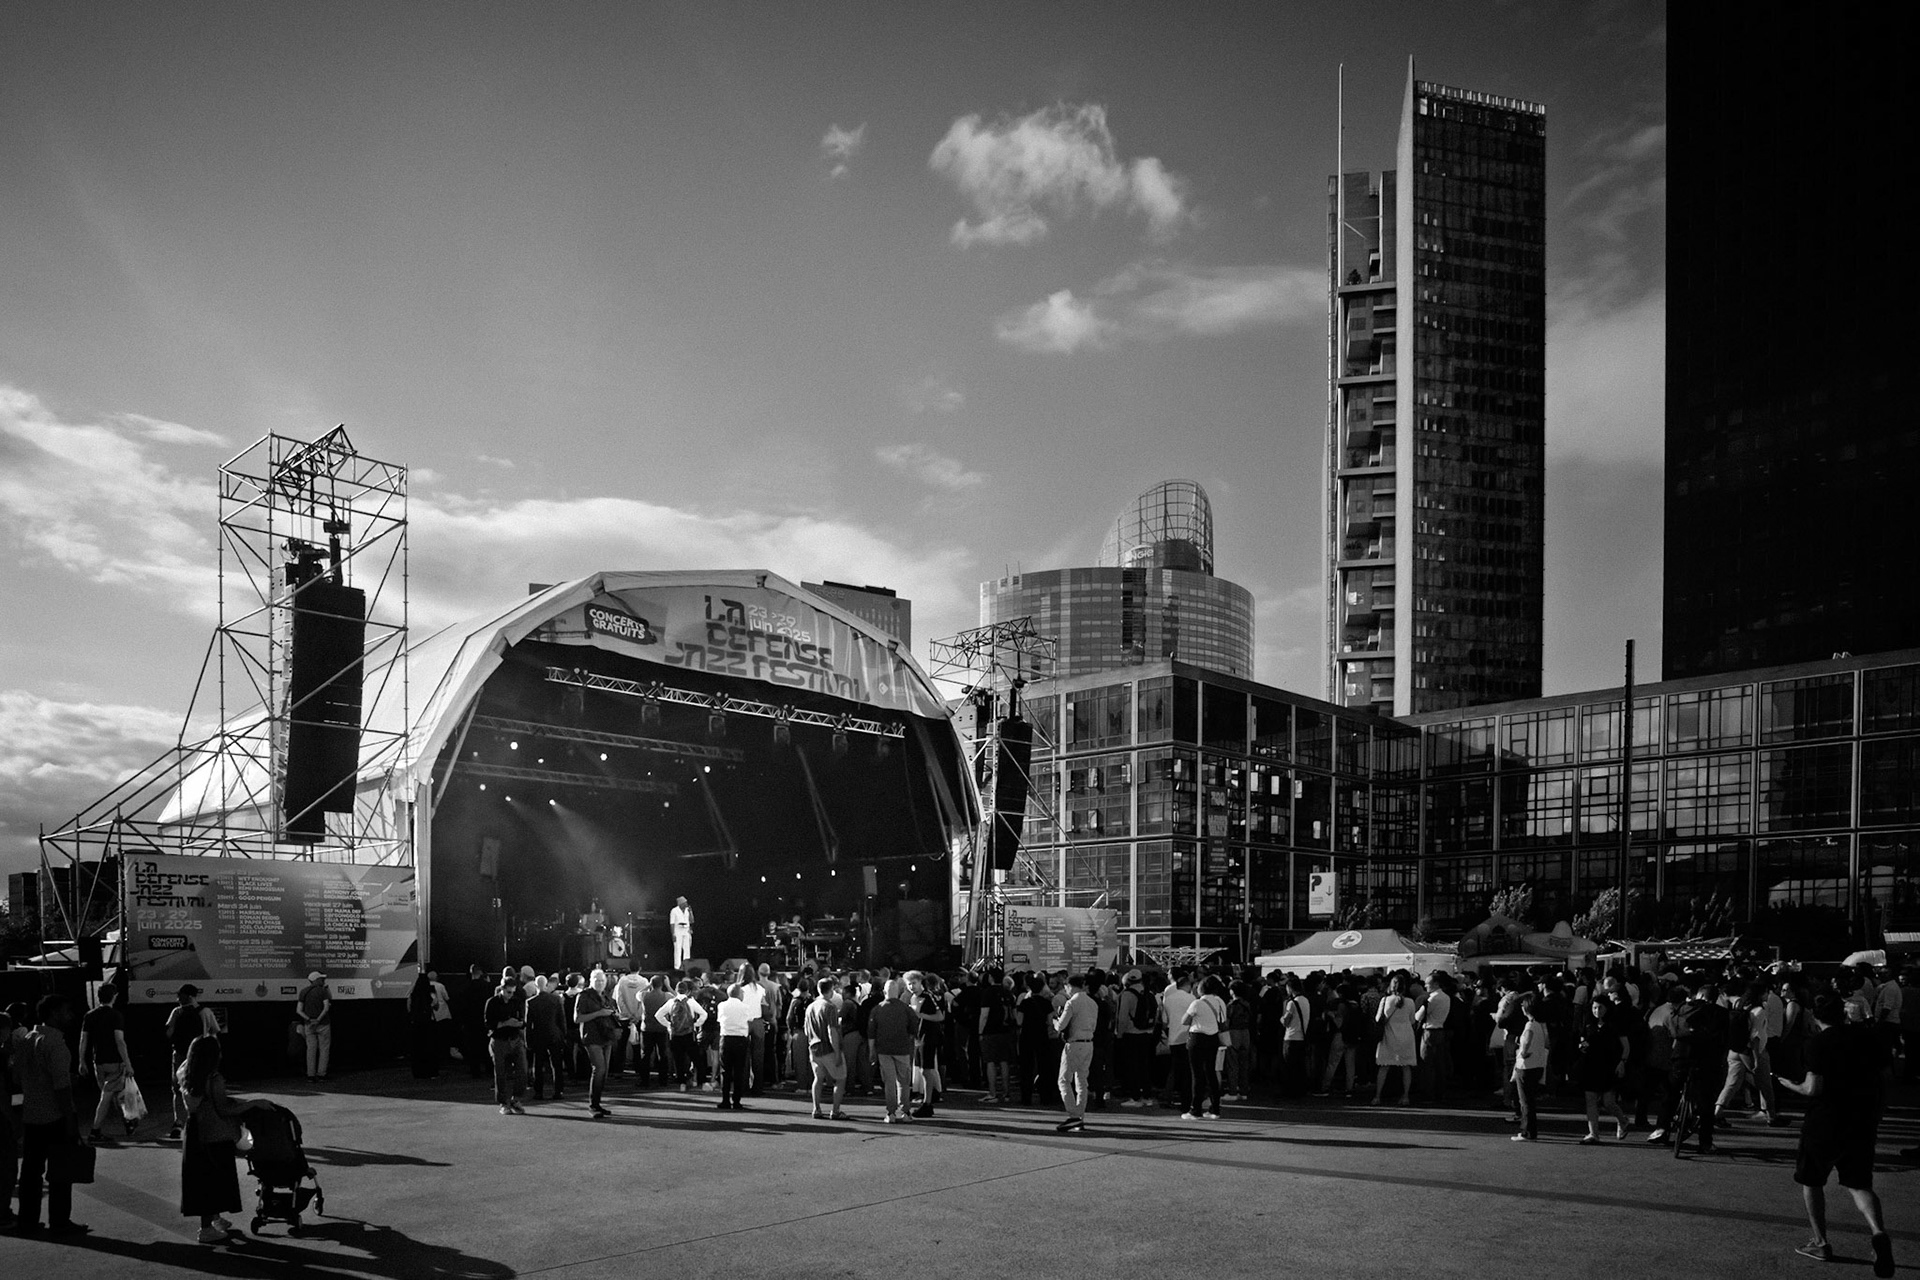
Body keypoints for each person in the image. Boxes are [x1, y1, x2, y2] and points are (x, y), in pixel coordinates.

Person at [1777, 993, 1896, 1277]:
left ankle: (1820, 1242)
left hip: (1825, 1120)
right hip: (1862, 1119)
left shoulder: (1816, 1044)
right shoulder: (1867, 1038)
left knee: (1812, 1180)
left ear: (1815, 1017)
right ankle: (1878, 1232)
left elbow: (1813, 1089)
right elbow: (1884, 1078)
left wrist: (1789, 1085)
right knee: (1859, 1184)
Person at [177, 1034, 270, 1244]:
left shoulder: (186, 1073)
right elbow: (224, 1109)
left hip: (194, 1131)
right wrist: (254, 1103)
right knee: (214, 1180)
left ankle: (215, 1219)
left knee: (201, 1178)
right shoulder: (214, 1079)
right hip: (216, 1134)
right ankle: (206, 1229)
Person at [14, 995, 88, 1237]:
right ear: (54, 1013)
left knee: (31, 1172)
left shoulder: (26, 1039)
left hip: (32, 1114)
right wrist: (71, 1121)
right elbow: (61, 1089)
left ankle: (27, 1220)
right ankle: (59, 1221)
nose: (70, 1016)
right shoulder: (55, 1043)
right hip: (55, 1116)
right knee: (60, 1171)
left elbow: (17, 1077)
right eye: (66, 1011)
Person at [79, 983, 135, 1140]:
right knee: (107, 1096)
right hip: (115, 1062)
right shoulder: (116, 1015)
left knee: (113, 1094)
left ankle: (128, 1122)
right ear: (114, 996)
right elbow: (120, 1041)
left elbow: (84, 1039)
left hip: (99, 1062)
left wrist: (82, 1061)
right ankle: (95, 1130)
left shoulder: (89, 1015)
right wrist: (128, 1063)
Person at [164, 985, 219, 1140]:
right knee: (201, 1087)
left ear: (187, 996)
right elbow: (214, 1031)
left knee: (178, 1089)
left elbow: (169, 1033)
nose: (177, 998)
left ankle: (179, 1122)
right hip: (198, 1056)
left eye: (179, 995)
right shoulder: (205, 1012)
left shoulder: (176, 1012)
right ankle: (199, 1121)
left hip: (180, 1055)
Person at [1576, 993, 1632, 1144]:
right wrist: (1582, 1046)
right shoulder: (1588, 1024)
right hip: (1591, 1065)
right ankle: (1593, 1133)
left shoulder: (1615, 1024)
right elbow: (1581, 1041)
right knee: (1591, 1100)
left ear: (1607, 1008)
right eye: (1594, 1007)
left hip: (1610, 1066)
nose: (1597, 1011)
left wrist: (1622, 1062)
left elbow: (1625, 1046)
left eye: (1600, 1007)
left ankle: (1623, 1120)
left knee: (1608, 1102)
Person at [1052, 973, 1098, 1133]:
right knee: (1081, 1081)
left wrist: (1054, 1021)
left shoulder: (1072, 1002)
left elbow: (1061, 1026)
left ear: (1070, 986)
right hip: (1088, 1043)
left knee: (1064, 1080)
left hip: (1074, 1044)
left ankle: (1073, 1115)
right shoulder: (1093, 1003)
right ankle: (1080, 1117)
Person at [485, 966, 530, 1116]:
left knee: (523, 1069)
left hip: (515, 1038)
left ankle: (516, 1099)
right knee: (501, 1072)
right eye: (508, 992)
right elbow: (488, 1024)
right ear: (501, 989)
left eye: (512, 992)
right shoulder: (491, 1003)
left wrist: (518, 1024)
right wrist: (505, 1023)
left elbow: (524, 1020)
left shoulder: (516, 1001)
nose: (510, 995)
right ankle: (503, 1102)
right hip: (499, 1040)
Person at [1182, 975, 1229, 1119]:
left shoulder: (1197, 1003)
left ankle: (1194, 1109)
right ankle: (1215, 1109)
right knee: (1211, 1073)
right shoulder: (1220, 1002)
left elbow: (1185, 1020)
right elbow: (1223, 1020)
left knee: (1197, 1075)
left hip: (1197, 1038)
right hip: (1213, 1038)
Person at [573, 968, 617, 1117]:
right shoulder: (584, 996)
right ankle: (593, 1105)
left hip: (606, 1036)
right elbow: (577, 1018)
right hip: (591, 1037)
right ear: (590, 981)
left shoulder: (605, 997)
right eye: (597, 980)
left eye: (602, 980)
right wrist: (599, 1013)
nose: (600, 983)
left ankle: (597, 1103)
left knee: (603, 1071)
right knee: (599, 1069)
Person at [805, 975, 849, 1120]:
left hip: (814, 1047)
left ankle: (816, 1108)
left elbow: (806, 1030)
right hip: (828, 1048)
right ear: (831, 991)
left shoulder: (810, 1007)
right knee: (840, 1078)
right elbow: (832, 1031)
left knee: (818, 1078)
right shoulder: (830, 1007)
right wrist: (837, 1052)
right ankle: (835, 1111)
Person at [1372, 973, 1418, 1106]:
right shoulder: (1410, 1001)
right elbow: (1412, 1020)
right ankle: (1405, 1096)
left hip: (1389, 1035)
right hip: (1406, 1036)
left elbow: (1377, 1019)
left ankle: (1377, 1096)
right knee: (1406, 1067)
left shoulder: (1385, 1000)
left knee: (1384, 1066)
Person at [905, 970, 945, 1118]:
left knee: (927, 1069)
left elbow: (940, 1016)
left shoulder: (927, 997)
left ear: (921, 982)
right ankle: (928, 1097)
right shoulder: (913, 998)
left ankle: (928, 1103)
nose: (911, 986)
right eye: (909, 984)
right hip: (919, 1037)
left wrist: (921, 1015)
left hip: (929, 1036)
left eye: (914, 983)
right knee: (922, 1070)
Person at [1510, 993, 1549, 1142]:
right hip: (1537, 1065)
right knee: (1530, 1101)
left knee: (1525, 1102)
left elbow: (1526, 1040)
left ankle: (1526, 1132)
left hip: (1526, 1066)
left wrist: (1523, 1052)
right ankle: (1530, 1131)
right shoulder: (1539, 1024)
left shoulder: (1530, 1025)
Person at [657, 978, 707, 1091]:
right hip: (689, 1034)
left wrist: (669, 1025)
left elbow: (658, 1015)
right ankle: (703, 1081)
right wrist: (696, 1024)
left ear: (676, 990)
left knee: (678, 1060)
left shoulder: (671, 1002)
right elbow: (704, 1014)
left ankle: (682, 1084)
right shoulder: (691, 1002)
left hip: (675, 1035)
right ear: (687, 991)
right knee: (696, 1058)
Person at [526, 975, 568, 1101]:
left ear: (536, 986)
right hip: (554, 1035)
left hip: (538, 1035)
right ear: (545, 985)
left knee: (538, 1065)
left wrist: (528, 1040)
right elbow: (562, 1020)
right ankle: (558, 1091)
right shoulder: (556, 1000)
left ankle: (538, 1092)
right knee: (556, 1065)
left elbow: (528, 1025)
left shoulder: (531, 1002)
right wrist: (563, 1035)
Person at [716, 982, 756, 1110]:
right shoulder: (745, 1007)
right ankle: (737, 1100)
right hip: (740, 1039)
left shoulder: (721, 1006)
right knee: (739, 1071)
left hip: (726, 1038)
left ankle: (725, 1099)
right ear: (739, 994)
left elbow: (720, 1020)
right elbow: (750, 1019)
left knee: (725, 1071)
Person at [295, 970, 333, 1083]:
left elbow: (298, 1010)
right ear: (316, 980)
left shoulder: (303, 992)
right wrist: (318, 1019)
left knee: (310, 1050)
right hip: (323, 1024)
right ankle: (321, 1074)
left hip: (309, 1025)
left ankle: (310, 1075)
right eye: (321, 979)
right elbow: (326, 1008)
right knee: (324, 1049)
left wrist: (308, 1019)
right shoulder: (323, 991)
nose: (323, 980)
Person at [407, 971, 441, 1080]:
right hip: (428, 1024)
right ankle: (430, 1071)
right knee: (430, 1048)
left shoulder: (413, 994)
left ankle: (418, 1072)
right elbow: (436, 1005)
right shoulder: (430, 993)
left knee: (417, 1050)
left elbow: (409, 1009)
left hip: (416, 1025)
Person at [670, 896, 694, 971]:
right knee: (678, 949)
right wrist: (673, 934)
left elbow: (692, 921)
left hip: (686, 930)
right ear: (680, 904)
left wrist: (690, 912)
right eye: (684, 903)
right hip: (678, 930)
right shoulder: (674, 911)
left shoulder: (687, 910)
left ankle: (686, 966)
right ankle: (677, 967)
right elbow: (672, 923)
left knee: (687, 949)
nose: (686, 904)